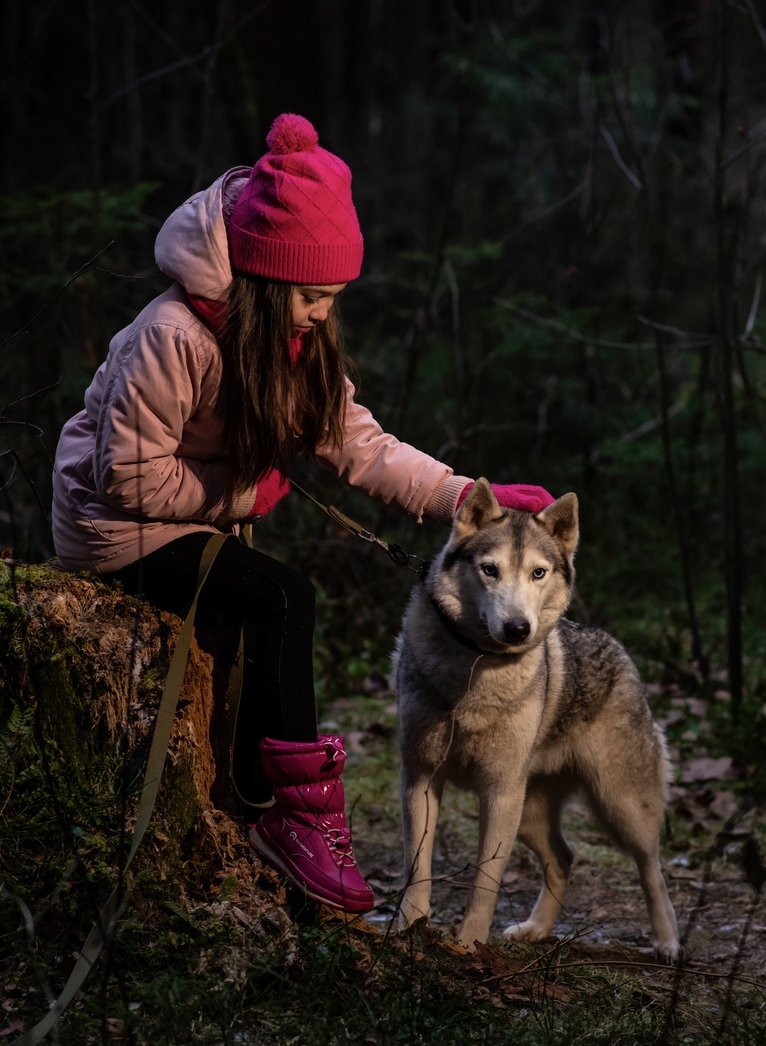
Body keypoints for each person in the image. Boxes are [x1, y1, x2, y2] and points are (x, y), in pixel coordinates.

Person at [52, 113, 553, 914]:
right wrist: (246, 494)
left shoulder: (292, 343)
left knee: (261, 610)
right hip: (113, 530)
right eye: (313, 295)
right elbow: (125, 479)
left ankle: (254, 793)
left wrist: (460, 495)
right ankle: (297, 815)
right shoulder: (171, 336)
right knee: (283, 595)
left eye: (334, 297)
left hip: (190, 518)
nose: (324, 312)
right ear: (264, 281)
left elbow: (360, 443)